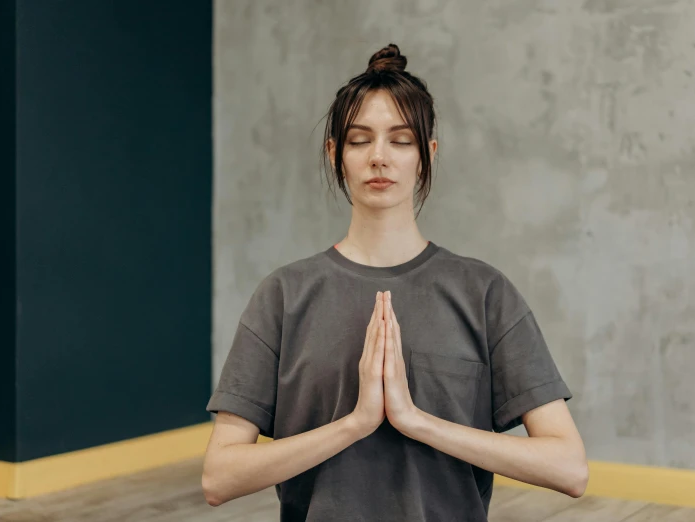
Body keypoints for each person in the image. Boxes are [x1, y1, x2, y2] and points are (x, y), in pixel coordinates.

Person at [202, 43, 588, 521]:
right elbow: (219, 476)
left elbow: (569, 468)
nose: (379, 157)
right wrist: (356, 423)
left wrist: (415, 421)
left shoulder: (484, 292)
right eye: (360, 140)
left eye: (401, 140)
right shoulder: (283, 296)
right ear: (335, 153)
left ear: (426, 155)